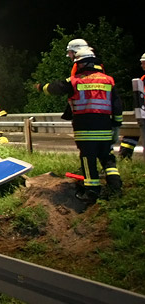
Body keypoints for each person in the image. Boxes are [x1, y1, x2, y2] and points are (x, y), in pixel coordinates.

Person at [36, 39, 123, 203]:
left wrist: (41, 87)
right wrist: (116, 125)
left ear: (81, 64)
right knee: (107, 157)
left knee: (88, 158)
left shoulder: (76, 81)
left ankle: (92, 191)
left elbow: (57, 87)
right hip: (104, 127)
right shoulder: (108, 80)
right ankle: (115, 186)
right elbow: (117, 105)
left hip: (85, 127)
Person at [118, 52, 145, 161]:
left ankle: (124, 156)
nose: (142, 66)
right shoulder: (143, 78)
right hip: (141, 113)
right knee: (131, 132)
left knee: (131, 132)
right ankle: (124, 156)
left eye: (143, 63)